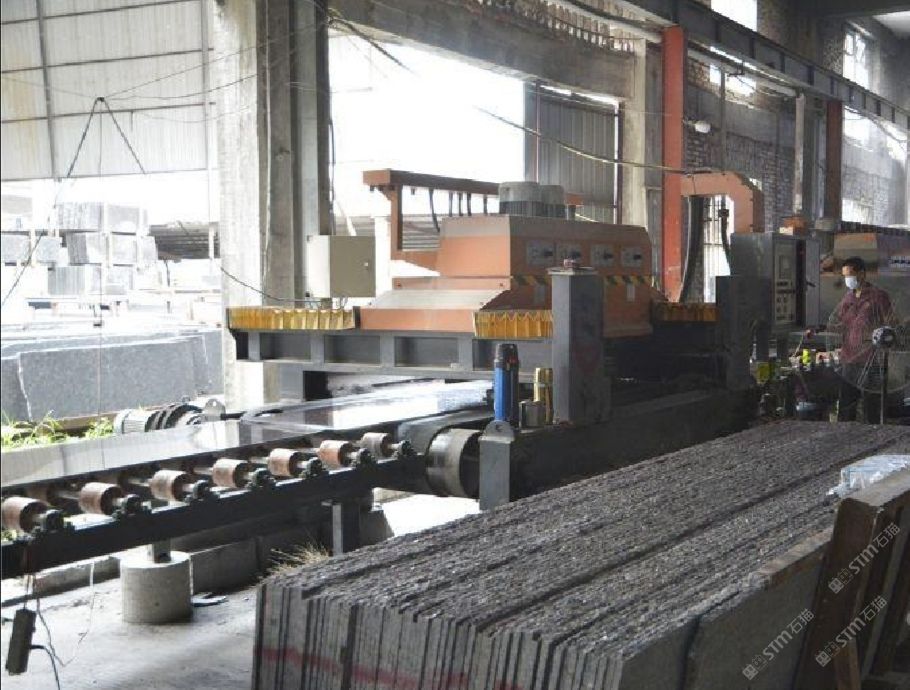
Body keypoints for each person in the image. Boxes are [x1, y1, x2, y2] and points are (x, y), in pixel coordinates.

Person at [834, 256, 893, 423]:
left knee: (872, 408)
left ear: (862, 274)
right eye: (845, 276)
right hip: (849, 360)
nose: (847, 279)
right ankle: (844, 435)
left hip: (871, 361)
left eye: (850, 275)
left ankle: (873, 435)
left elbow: (891, 325)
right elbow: (839, 321)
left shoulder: (878, 297)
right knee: (846, 406)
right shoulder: (848, 297)